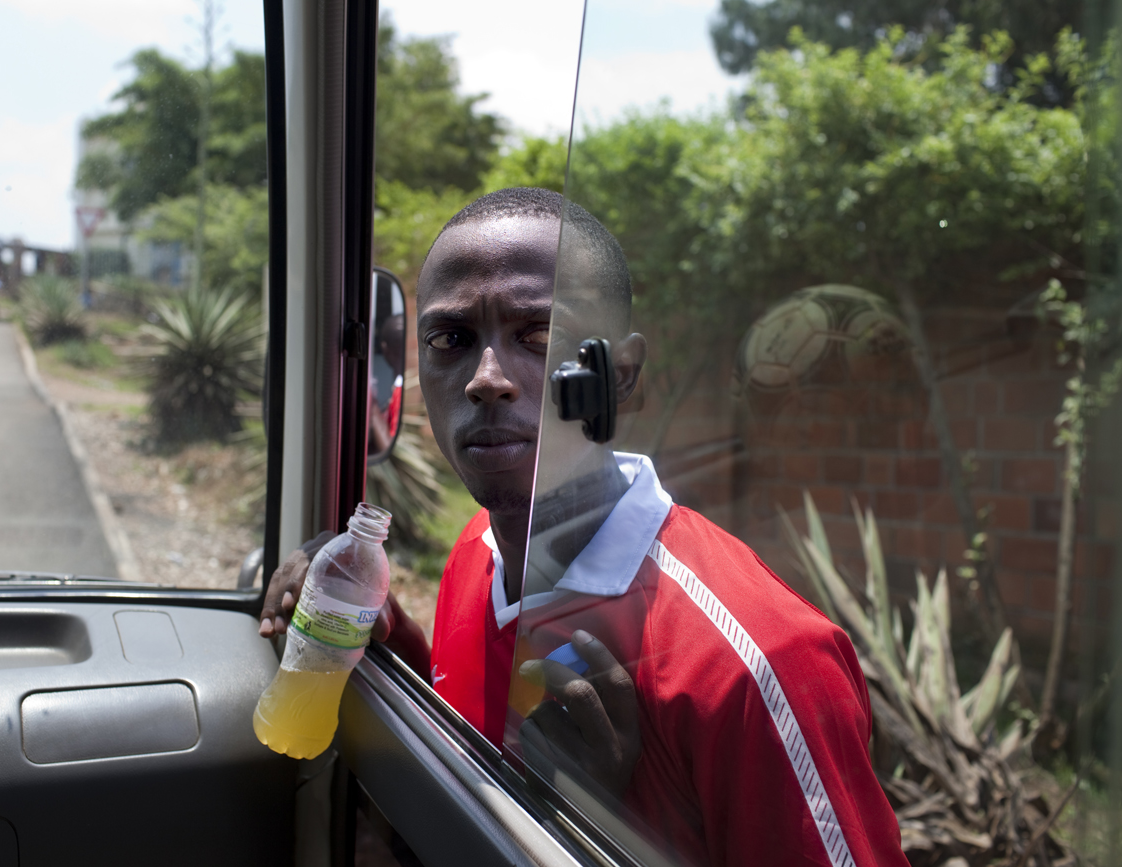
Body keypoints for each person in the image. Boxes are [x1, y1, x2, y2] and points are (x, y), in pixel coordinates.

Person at [262, 188, 908, 866]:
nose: (487, 379)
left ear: (620, 375)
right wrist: (375, 630)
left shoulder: (756, 665)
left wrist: (597, 828)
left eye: (539, 337)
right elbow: (471, 752)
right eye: (452, 339)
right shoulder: (479, 554)